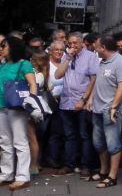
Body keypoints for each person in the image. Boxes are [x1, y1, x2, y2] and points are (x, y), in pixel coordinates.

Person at [86, 36, 122, 189]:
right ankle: (104, 171)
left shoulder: (121, 62)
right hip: (98, 109)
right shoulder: (103, 62)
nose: (94, 49)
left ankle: (113, 176)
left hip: (110, 110)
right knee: (98, 143)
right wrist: (91, 99)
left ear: (103, 47)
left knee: (113, 144)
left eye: (96, 46)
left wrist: (113, 107)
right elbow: (98, 83)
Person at [55, 32, 100, 178]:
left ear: (82, 43)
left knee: (84, 135)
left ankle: (86, 165)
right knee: (69, 135)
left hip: (82, 102)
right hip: (66, 102)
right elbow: (58, 75)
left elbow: (94, 79)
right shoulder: (66, 56)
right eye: (70, 43)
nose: (72, 46)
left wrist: (84, 99)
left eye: (75, 43)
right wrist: (68, 58)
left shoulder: (90, 57)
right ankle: (70, 164)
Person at [0, 36, 38, 190]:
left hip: (16, 107)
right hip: (2, 106)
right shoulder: (3, 65)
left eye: (4, 46)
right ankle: (6, 174)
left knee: (20, 141)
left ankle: (22, 176)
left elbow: (33, 85)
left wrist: (30, 102)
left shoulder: (24, 64)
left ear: (13, 48)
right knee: (5, 142)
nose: (1, 49)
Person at [44, 40, 65, 169]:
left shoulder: (66, 63)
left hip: (64, 101)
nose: (59, 52)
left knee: (59, 131)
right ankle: (46, 158)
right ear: (51, 51)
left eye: (61, 50)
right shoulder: (47, 65)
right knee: (47, 130)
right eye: (56, 50)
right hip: (49, 101)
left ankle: (55, 157)